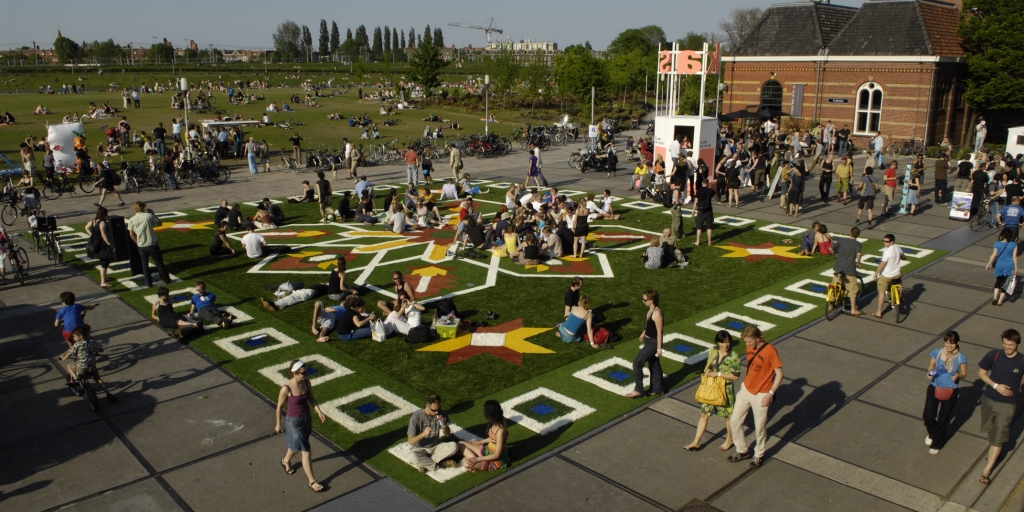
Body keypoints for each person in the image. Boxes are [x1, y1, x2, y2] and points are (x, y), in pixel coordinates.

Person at [729, 325, 783, 468]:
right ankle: (741, 450)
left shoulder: (770, 350)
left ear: (757, 338)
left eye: (749, 342)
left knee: (759, 427)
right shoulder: (749, 347)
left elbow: (779, 374)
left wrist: (770, 394)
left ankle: (758, 454)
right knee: (734, 421)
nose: (747, 345)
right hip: (746, 389)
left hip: (762, 393)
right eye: (746, 342)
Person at [977, 329, 1024, 485]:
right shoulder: (994, 355)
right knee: (990, 430)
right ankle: (993, 452)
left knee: (998, 437)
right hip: (989, 399)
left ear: (1017, 343)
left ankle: (987, 471)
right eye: (1005, 343)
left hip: (1008, 405)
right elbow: (982, 373)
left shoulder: (1022, 361)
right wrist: (996, 386)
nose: (1007, 347)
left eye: (1010, 345)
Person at [274, 359, 328, 493]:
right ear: (295, 373)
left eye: (306, 371)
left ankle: (285, 461)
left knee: (294, 447)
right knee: (306, 449)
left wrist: (319, 412)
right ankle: (312, 481)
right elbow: (279, 407)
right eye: (303, 372)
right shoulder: (286, 389)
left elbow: (311, 398)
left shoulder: (306, 382)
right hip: (294, 422)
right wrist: (278, 424)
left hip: (306, 418)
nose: (306, 374)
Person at [684, 330, 740, 451]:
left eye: (728, 342)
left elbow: (736, 376)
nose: (726, 345)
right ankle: (696, 441)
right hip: (711, 388)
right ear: (718, 342)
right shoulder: (713, 351)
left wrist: (718, 374)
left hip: (725, 390)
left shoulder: (733, 356)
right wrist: (708, 371)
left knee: (727, 417)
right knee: (704, 414)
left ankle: (730, 439)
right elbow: (708, 366)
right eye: (723, 343)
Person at [923, 331, 968, 455]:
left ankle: (936, 444)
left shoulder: (961, 357)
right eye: (947, 343)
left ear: (957, 343)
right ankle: (934, 434)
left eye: (952, 343)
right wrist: (931, 373)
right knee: (928, 416)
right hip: (934, 387)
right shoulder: (937, 352)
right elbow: (931, 367)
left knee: (944, 418)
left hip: (951, 390)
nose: (949, 346)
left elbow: (964, 373)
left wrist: (959, 376)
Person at [60, 327, 117, 402]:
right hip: (92, 366)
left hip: (81, 367)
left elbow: (68, 355)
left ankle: (76, 380)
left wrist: (63, 357)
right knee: (98, 379)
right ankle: (108, 393)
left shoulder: (77, 345)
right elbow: (101, 349)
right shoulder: (93, 342)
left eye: (74, 336)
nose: (73, 338)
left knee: (69, 367)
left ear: (80, 336)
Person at [626, 289, 665, 398]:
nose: (643, 301)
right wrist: (644, 333)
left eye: (645, 300)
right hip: (649, 340)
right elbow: (650, 325)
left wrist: (659, 349)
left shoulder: (657, 313)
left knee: (637, 363)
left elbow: (659, 332)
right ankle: (658, 389)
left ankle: (639, 390)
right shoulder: (651, 310)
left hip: (653, 343)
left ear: (651, 300)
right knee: (654, 364)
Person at [127, 202, 172, 288]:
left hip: (141, 245)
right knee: (159, 262)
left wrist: (137, 243)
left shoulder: (131, 219)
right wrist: (153, 214)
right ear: (143, 208)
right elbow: (159, 223)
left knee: (145, 265)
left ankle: (148, 283)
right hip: (152, 243)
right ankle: (166, 279)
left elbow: (131, 235)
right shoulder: (148, 216)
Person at [458, 400, 510, 472]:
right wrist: (480, 442)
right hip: (487, 451)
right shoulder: (496, 422)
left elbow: (496, 455)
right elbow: (494, 439)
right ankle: (473, 459)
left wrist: (478, 459)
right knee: (461, 443)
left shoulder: (500, 430)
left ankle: (475, 461)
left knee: (465, 464)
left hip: (495, 460)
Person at [872, 234, 906, 318]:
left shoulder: (887, 252)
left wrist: (876, 273)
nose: (884, 243)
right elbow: (903, 256)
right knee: (898, 283)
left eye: (886, 241)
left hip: (887, 275)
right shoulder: (898, 248)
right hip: (897, 273)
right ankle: (898, 297)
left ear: (892, 242)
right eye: (883, 241)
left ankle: (879, 312)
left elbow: (882, 264)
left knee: (881, 292)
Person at [985, 228, 1019, 306]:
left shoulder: (997, 244)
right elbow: (1014, 257)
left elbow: (994, 255)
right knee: (1006, 283)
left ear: (1002, 235)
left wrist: (988, 264)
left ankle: (995, 298)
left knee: (998, 281)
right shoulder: (1014, 245)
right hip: (1009, 266)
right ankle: (1000, 301)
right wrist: (1016, 267)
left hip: (1000, 265)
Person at [84, 207, 116, 288]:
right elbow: (103, 234)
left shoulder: (93, 220)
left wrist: (92, 235)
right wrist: (109, 244)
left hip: (95, 242)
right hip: (102, 244)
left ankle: (104, 278)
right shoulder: (102, 223)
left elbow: (86, 227)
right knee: (104, 262)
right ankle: (103, 282)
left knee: (104, 261)